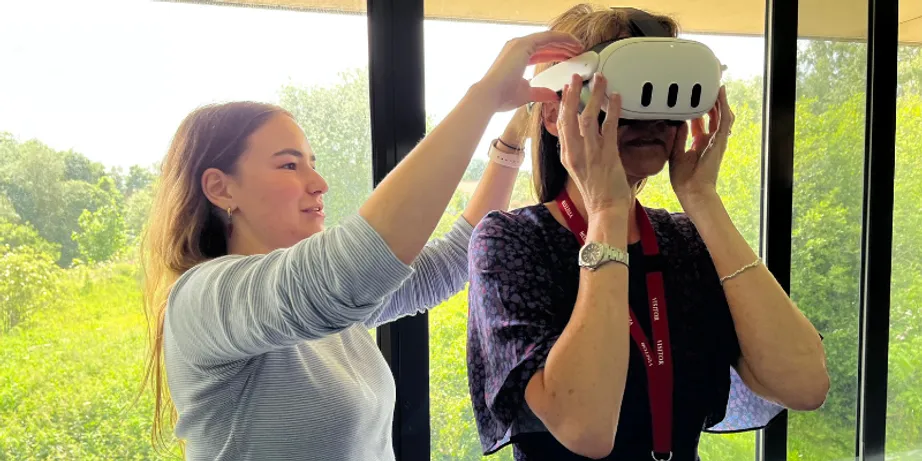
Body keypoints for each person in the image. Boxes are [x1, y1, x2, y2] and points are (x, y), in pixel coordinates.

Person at [139, 30, 584, 460]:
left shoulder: (328, 313)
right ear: (220, 188)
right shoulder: (202, 301)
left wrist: (512, 140)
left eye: (311, 163)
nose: (319, 182)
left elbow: (451, 261)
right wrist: (483, 97)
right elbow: (359, 265)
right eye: (289, 165)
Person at [465, 5, 830, 461]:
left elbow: (805, 385)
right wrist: (606, 210)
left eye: (667, 101)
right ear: (555, 114)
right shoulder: (511, 242)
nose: (651, 120)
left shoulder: (685, 241)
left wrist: (702, 198)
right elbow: (585, 428)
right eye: (620, 97)